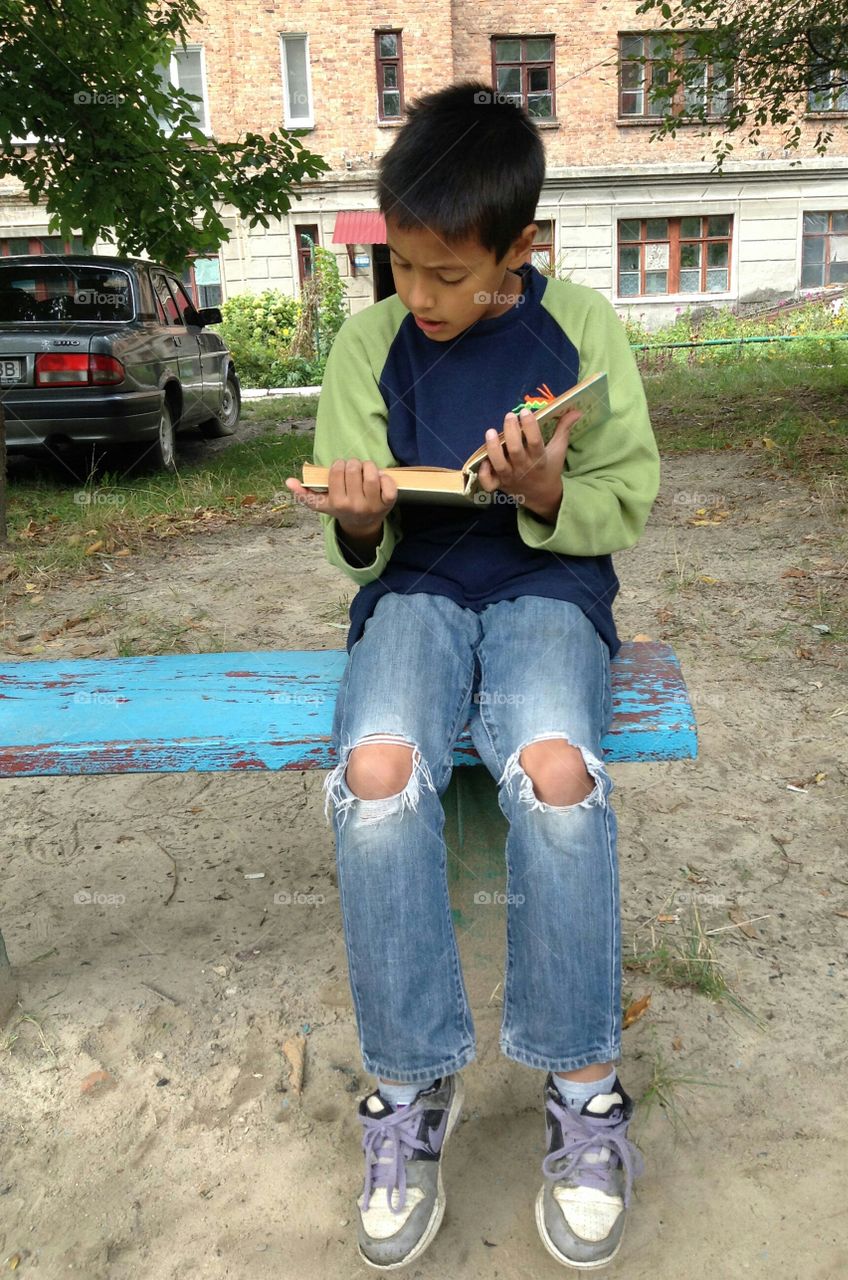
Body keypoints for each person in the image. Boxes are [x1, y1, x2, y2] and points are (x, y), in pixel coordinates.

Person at [285, 80, 660, 1272]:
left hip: (551, 589)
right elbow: (362, 541)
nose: (424, 296)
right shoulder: (369, 342)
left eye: (452, 274)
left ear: (516, 249)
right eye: (404, 267)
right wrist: (352, 518)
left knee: (557, 774)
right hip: (415, 590)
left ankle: (586, 1096)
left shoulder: (583, 329)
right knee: (377, 771)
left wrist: (550, 490)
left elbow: (628, 497)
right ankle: (406, 1087)